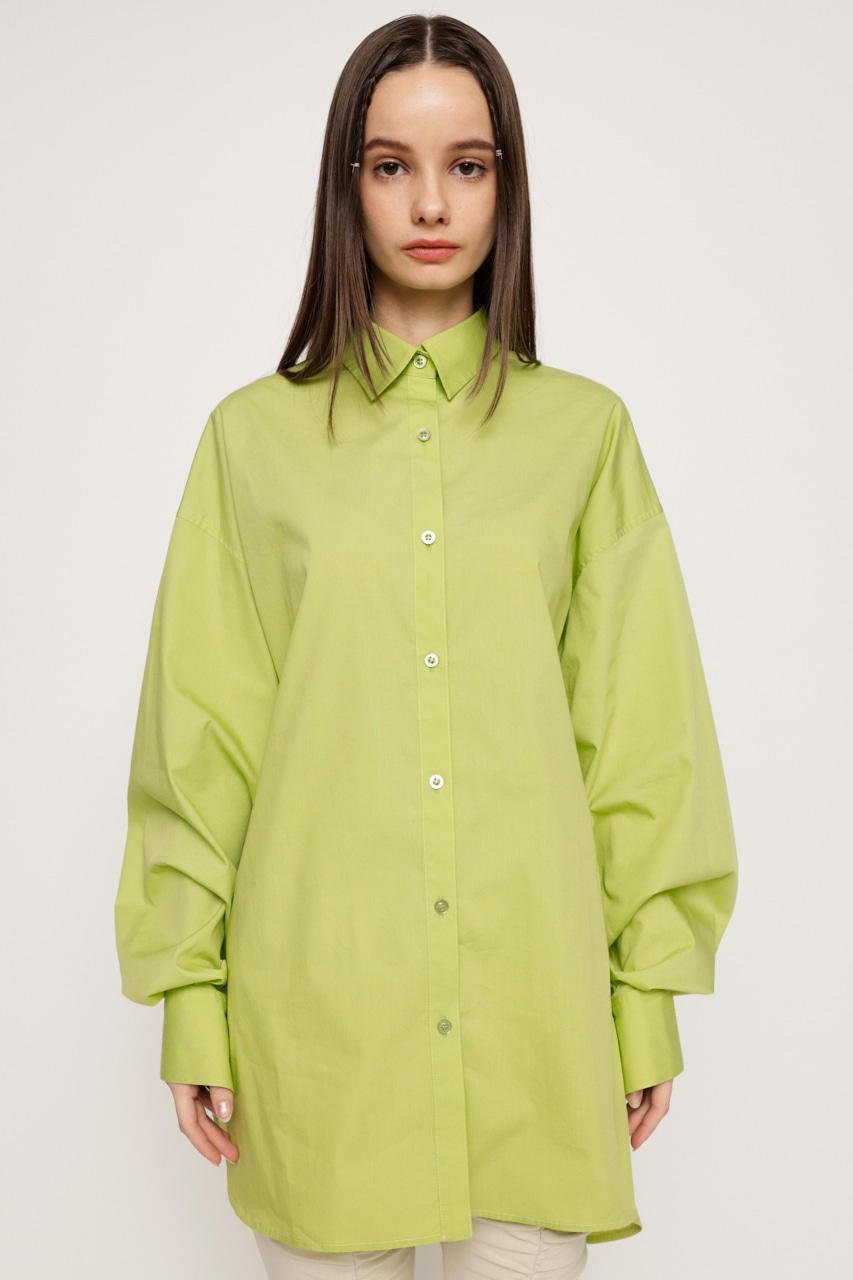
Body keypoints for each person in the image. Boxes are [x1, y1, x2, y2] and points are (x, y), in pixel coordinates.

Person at [114, 13, 738, 1280]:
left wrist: (644, 995)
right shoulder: (251, 440)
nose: (433, 202)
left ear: (509, 184)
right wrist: (191, 997)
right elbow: (200, 737)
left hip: (536, 1027)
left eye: (469, 163)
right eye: (392, 164)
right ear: (346, 185)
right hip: (321, 1025)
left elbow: (641, 736)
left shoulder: (586, 436)